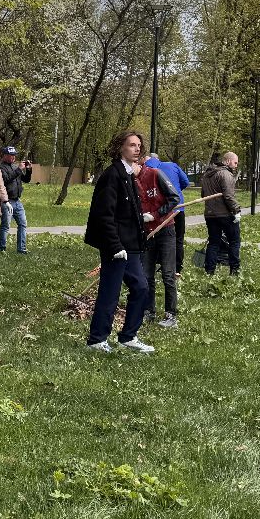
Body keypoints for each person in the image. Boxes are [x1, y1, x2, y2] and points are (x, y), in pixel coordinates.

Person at [83, 131, 154, 353]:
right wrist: (114, 246)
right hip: (116, 246)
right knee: (110, 292)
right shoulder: (112, 175)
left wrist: (140, 218)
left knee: (141, 287)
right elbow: (104, 214)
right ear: (120, 148)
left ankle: (128, 336)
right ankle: (97, 340)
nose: (137, 149)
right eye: (132, 145)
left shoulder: (128, 174)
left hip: (130, 245)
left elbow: (125, 208)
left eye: (139, 145)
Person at [137, 157, 180, 328]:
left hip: (165, 229)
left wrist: (155, 215)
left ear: (139, 163)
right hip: (147, 233)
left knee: (168, 274)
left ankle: (171, 315)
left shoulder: (155, 174)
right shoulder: (131, 182)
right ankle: (149, 311)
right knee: (147, 275)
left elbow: (174, 198)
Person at [200, 150, 241, 276]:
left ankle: (209, 271)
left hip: (210, 214)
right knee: (234, 241)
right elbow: (229, 196)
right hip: (225, 214)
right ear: (228, 161)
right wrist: (236, 210)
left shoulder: (207, 175)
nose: (236, 166)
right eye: (235, 163)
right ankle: (234, 270)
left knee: (214, 242)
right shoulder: (226, 174)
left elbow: (203, 195)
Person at [153, 152, 192, 275]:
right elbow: (185, 181)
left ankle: (161, 264)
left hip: (161, 209)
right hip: (177, 208)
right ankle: (177, 267)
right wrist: (175, 190)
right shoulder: (172, 166)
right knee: (178, 239)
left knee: (160, 238)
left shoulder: (147, 168)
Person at [0, 146, 34, 254]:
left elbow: (26, 180)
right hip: (6, 201)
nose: (13, 157)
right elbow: (6, 179)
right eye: (10, 155)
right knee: (6, 226)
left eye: (14, 155)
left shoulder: (14, 167)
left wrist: (28, 170)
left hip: (17, 201)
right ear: (5, 156)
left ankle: (21, 249)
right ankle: (1, 249)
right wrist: (19, 169)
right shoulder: (0, 168)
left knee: (23, 224)